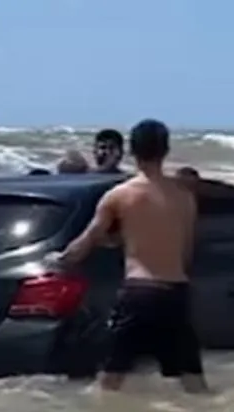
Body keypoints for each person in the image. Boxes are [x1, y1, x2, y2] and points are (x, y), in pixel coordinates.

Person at [53, 118, 208, 394]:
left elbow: (84, 244)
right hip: (176, 293)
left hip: (139, 293)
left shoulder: (120, 195)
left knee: (109, 382)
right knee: (194, 384)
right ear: (166, 150)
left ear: (133, 152)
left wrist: (58, 261)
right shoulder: (185, 198)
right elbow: (186, 253)